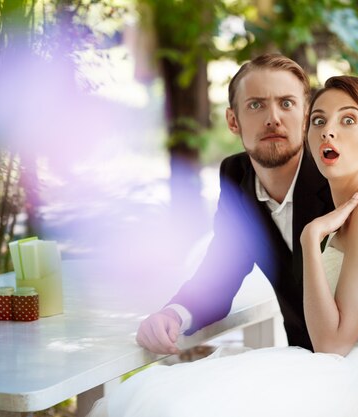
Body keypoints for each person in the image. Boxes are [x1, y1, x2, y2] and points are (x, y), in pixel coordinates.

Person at [91, 76, 358, 417]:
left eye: (348, 120)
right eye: (319, 121)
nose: (328, 131)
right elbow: (226, 271)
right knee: (169, 394)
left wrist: (308, 239)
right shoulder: (350, 205)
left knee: (179, 401)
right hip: (345, 363)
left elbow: (332, 344)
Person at [136, 54, 334, 354]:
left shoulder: (335, 175)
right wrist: (172, 314)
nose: (273, 118)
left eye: (286, 103)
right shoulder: (236, 177)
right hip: (303, 359)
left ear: (306, 116)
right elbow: (220, 274)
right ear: (232, 121)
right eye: (256, 105)